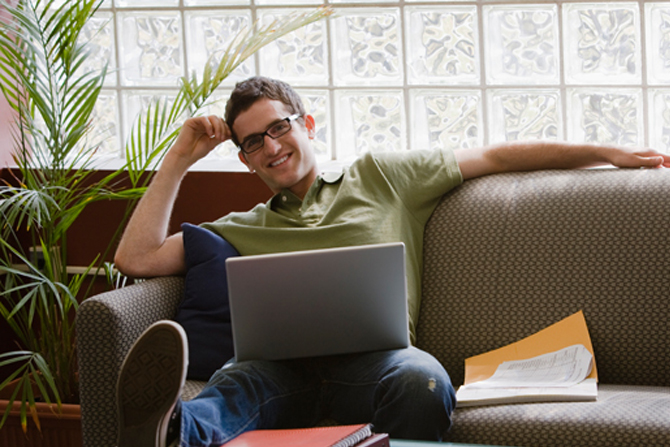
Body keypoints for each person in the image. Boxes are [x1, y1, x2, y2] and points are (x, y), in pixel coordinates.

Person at [113, 76, 670, 447]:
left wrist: (607, 153)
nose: (271, 146)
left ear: (307, 125)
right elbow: (135, 258)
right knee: (231, 389)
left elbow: (499, 154)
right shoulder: (245, 226)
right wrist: (179, 159)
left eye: (279, 127)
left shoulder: (384, 176)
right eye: (253, 141)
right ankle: (170, 431)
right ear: (244, 159)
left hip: (378, 365)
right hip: (277, 372)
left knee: (423, 378)